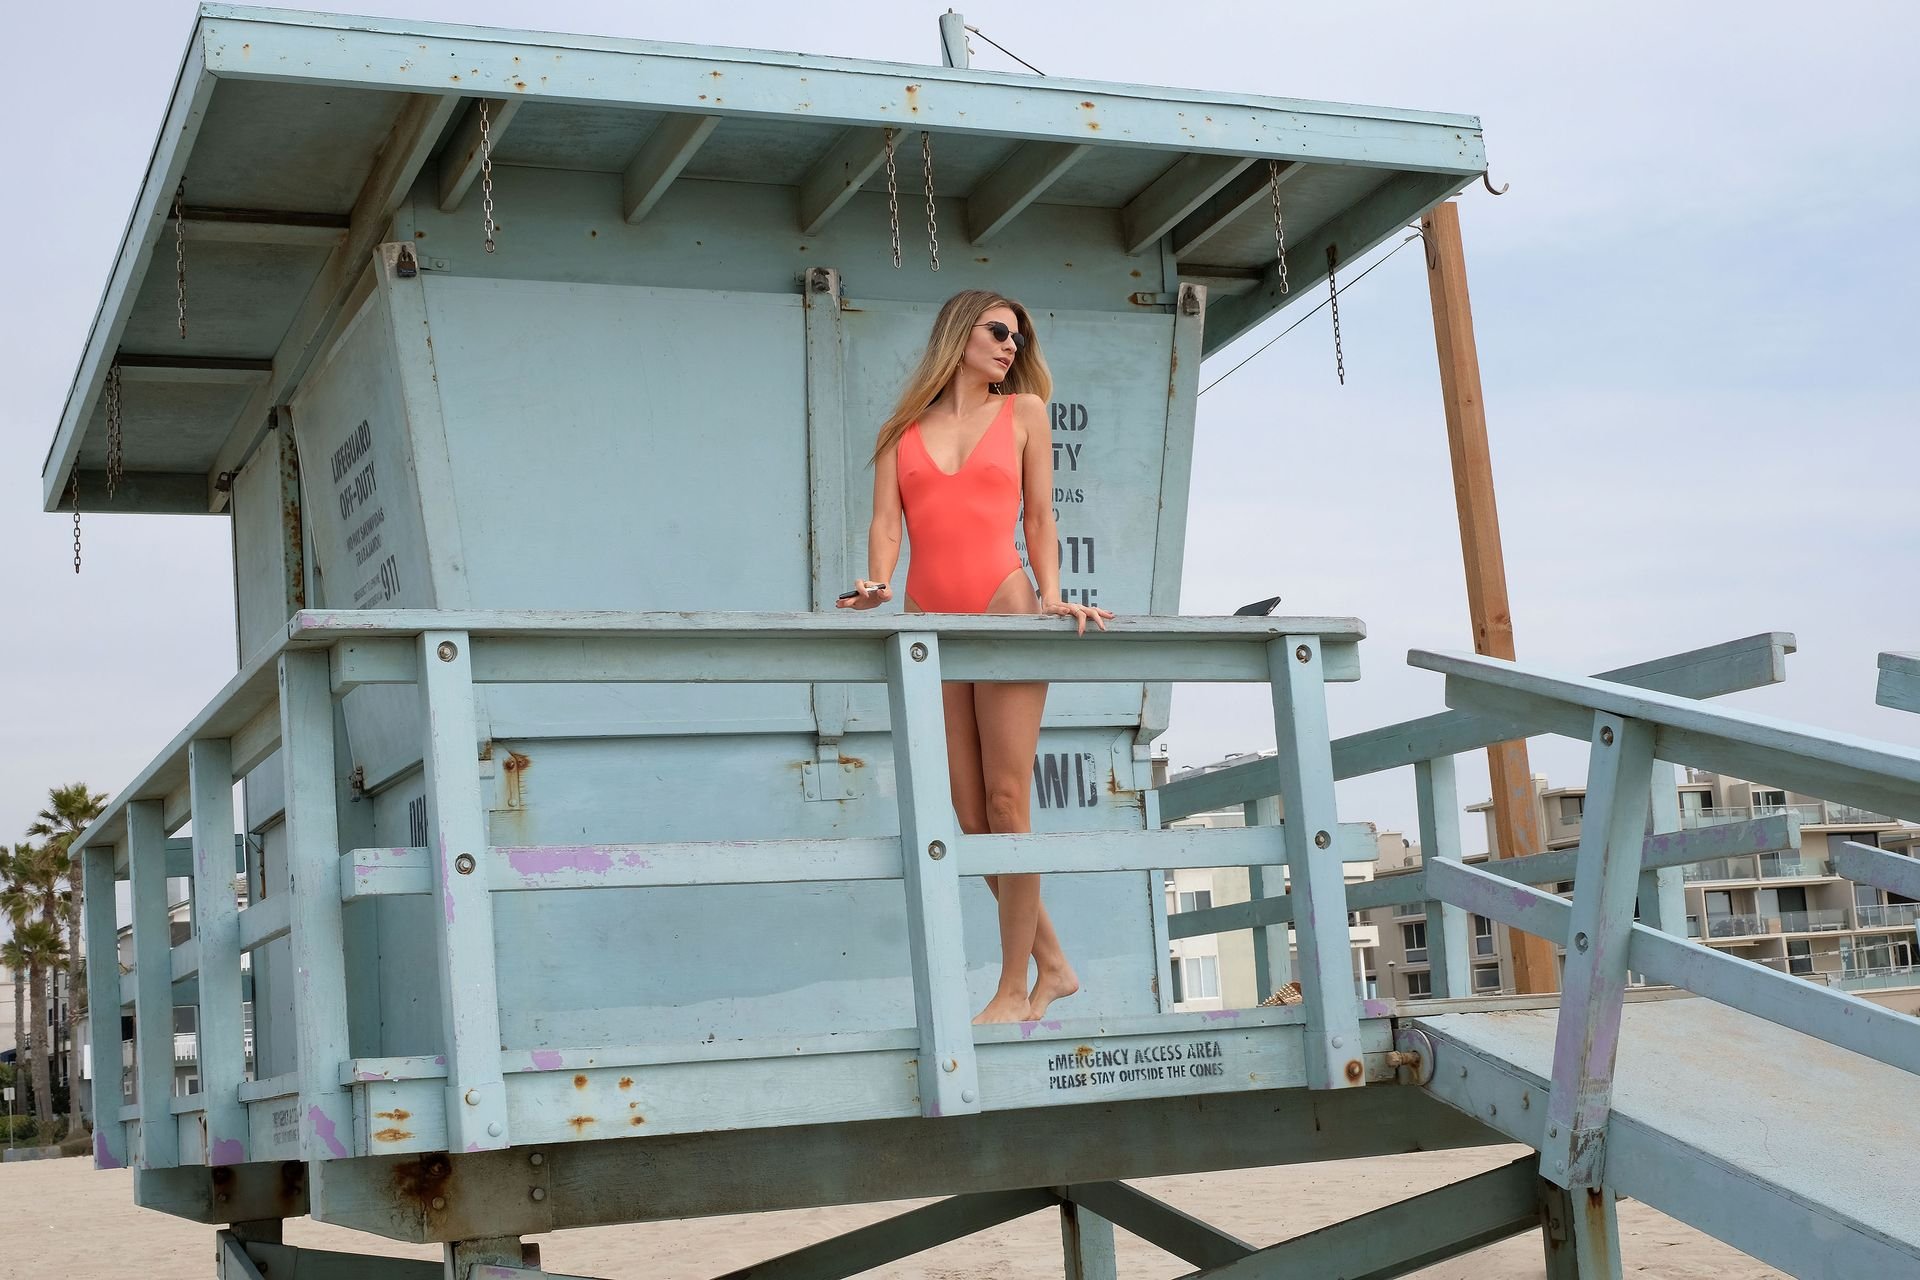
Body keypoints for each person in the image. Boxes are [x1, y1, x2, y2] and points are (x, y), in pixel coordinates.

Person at [839, 290, 1113, 1023]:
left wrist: (1054, 596)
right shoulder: (900, 431)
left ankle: (1014, 987)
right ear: (959, 334)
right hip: (928, 618)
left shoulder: (1024, 412)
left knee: (1006, 802)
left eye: (1017, 338)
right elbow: (887, 525)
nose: (1010, 346)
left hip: (1004, 608)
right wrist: (875, 586)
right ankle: (1056, 966)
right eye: (998, 332)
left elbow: (1040, 516)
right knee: (967, 811)